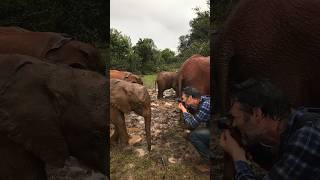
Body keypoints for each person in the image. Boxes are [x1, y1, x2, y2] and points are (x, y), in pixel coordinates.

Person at [220, 79, 320, 179]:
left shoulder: (307, 137)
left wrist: (238, 157)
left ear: (257, 114)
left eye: (235, 117)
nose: (233, 124)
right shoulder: (296, 126)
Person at [177, 86, 211, 172]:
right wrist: (188, 107)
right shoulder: (202, 100)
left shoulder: (206, 105)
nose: (183, 100)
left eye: (184, 99)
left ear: (191, 97)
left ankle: (208, 162)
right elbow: (198, 115)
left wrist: (184, 110)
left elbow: (192, 124)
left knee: (192, 135)